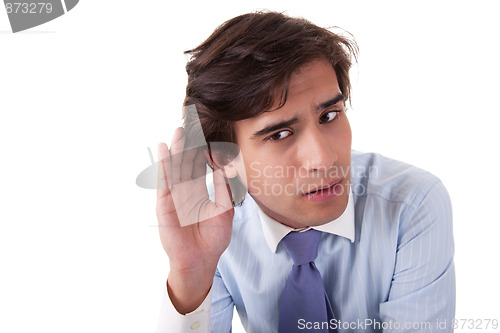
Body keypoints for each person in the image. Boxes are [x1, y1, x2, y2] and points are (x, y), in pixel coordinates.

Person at [155, 11, 455, 333]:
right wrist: (190, 274)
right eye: (279, 134)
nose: (324, 159)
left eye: (329, 115)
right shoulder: (209, 226)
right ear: (222, 159)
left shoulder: (411, 204)